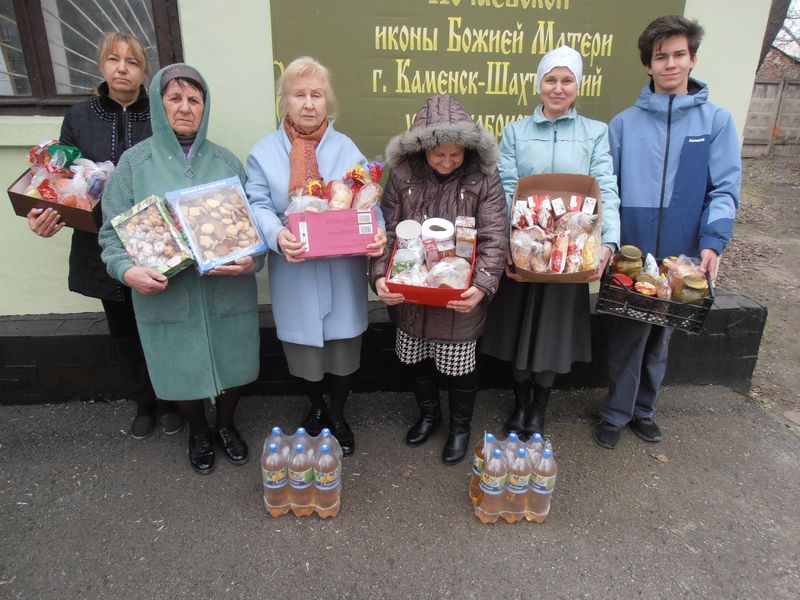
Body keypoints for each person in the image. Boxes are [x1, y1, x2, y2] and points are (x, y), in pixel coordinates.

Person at [99, 64, 262, 475]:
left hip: (227, 292)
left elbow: (253, 228)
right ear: (158, 103)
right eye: (175, 98)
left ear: (205, 106)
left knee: (236, 361)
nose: (185, 108)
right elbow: (110, 236)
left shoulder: (227, 162)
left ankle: (225, 425)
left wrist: (252, 259)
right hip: (169, 295)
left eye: (194, 99)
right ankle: (197, 430)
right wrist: (126, 271)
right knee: (177, 366)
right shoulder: (134, 166)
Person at [25, 32, 183, 440]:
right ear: (101, 65)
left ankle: (171, 401)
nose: (122, 68)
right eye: (113, 59)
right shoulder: (79, 117)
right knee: (124, 327)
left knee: (164, 324)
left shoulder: (160, 113)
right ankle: (144, 403)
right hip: (101, 243)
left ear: (143, 70)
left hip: (157, 239)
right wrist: (45, 215)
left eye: (131, 61)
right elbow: (59, 182)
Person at [593, 16, 740, 449]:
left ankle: (644, 411)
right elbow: (608, 190)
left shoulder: (717, 122)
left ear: (692, 59)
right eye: (661, 56)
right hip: (632, 253)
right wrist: (611, 242)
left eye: (679, 54)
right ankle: (615, 413)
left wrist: (713, 243)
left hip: (682, 255)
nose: (670, 64)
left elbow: (725, 188)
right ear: (648, 65)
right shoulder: (623, 125)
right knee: (627, 336)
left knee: (661, 338)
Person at [246, 57, 386, 457]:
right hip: (296, 270)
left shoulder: (347, 149)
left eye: (316, 94)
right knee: (303, 351)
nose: (308, 103)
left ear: (329, 102)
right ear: (284, 101)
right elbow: (256, 204)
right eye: (299, 94)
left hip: (341, 270)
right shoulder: (264, 152)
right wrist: (276, 235)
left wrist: (376, 232)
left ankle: (338, 414)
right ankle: (316, 407)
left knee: (343, 348)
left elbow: (369, 202)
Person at [480, 45, 621, 439]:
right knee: (519, 330)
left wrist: (608, 242)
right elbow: (505, 188)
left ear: (578, 86)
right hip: (528, 250)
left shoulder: (595, 133)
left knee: (552, 333)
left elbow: (605, 187)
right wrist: (508, 243)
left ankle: (540, 407)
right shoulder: (516, 132)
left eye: (566, 80)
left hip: (572, 254)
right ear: (538, 84)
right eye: (550, 79)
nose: (558, 88)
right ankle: (520, 401)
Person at [371, 94, 508, 464]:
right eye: (437, 155)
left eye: (455, 154)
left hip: (458, 296)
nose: (446, 162)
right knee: (414, 360)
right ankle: (429, 414)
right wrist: (381, 277)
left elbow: (496, 235)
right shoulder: (402, 176)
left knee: (460, 366)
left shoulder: (484, 178)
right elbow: (383, 231)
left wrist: (481, 285)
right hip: (411, 289)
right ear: (421, 149)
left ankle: (460, 428)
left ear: (468, 148)